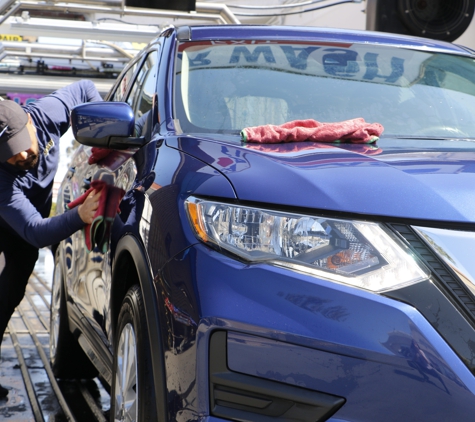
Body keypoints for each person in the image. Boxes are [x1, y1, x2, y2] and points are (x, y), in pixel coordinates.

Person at [0, 80, 103, 398]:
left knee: (10, 297)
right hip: (10, 230)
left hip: (28, 235)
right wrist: (79, 216)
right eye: (9, 154)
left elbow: (86, 89)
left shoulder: (46, 112)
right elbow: (34, 230)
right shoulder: (1, 177)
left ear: (29, 122)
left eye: (22, 144)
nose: (21, 155)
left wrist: (104, 140)